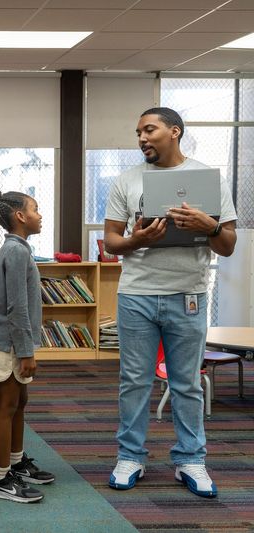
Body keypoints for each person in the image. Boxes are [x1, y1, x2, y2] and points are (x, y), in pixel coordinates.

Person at [103, 107, 237, 498]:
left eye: (149, 130)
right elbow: (112, 242)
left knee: (187, 383)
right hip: (137, 295)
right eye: (138, 133)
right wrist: (136, 240)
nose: (142, 138)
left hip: (188, 294)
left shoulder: (207, 179)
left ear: (174, 131)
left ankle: (190, 460)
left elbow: (227, 245)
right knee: (134, 381)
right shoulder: (126, 181)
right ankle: (130, 456)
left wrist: (210, 226)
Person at [0, 190, 52, 504]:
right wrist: (26, 351)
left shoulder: (19, 248)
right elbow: (16, 306)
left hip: (14, 342)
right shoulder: (15, 251)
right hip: (8, 344)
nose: (40, 215)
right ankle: (0, 478)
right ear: (20, 216)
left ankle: (15, 462)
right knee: (7, 405)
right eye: (35, 209)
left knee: (19, 401)